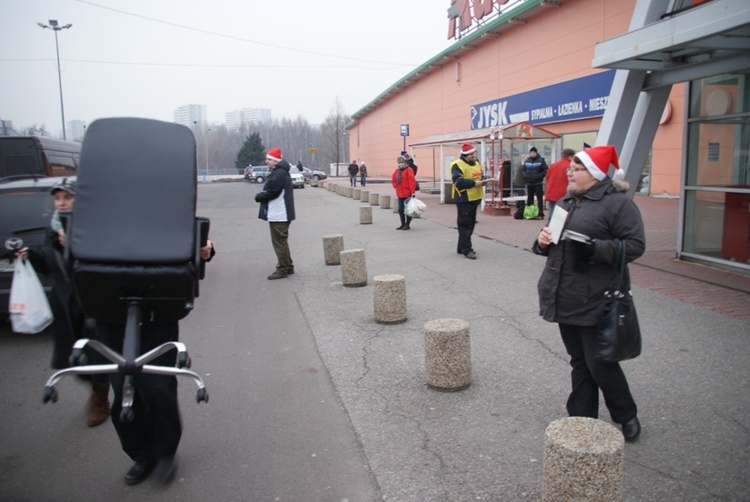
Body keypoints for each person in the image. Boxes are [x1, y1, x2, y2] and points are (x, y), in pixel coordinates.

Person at [532, 145, 645, 443]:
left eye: (576, 169)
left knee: (600, 362)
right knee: (579, 360)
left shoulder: (618, 205)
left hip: (597, 295)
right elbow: (551, 242)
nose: (569, 172)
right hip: (563, 292)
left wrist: (596, 249)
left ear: (594, 174)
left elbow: (635, 245)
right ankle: (581, 416)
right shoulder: (566, 201)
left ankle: (626, 414)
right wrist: (542, 242)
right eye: (570, 168)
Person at [97, 240, 215, 486]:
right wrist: (61, 242)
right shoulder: (100, 208)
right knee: (125, 391)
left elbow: (183, 231)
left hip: (157, 313)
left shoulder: (159, 203)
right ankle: (141, 455)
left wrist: (204, 249)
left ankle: (165, 454)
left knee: (158, 388)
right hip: (111, 313)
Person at [17, 178, 111, 428]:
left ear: (77, 200)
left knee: (96, 353)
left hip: (90, 301)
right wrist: (32, 257)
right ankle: (94, 386)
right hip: (64, 302)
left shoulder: (91, 227)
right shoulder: (52, 229)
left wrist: (72, 243)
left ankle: (102, 399)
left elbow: (101, 261)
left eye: (66, 198)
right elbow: (50, 266)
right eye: (57, 199)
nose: (61, 203)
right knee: (74, 359)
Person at [255, 147, 296, 280]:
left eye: (269, 159)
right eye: (267, 159)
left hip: (279, 213)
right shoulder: (280, 172)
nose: (266, 161)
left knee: (279, 242)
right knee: (282, 241)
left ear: (276, 161)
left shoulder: (279, 173)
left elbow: (273, 192)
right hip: (280, 212)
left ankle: (282, 269)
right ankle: (288, 265)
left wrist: (260, 196)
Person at [451, 142, 490, 259]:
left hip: (475, 197)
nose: (475, 154)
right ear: (467, 154)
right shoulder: (457, 165)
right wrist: (474, 183)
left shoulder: (477, 163)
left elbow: (479, 176)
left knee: (470, 223)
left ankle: (461, 247)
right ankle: (467, 249)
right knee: (465, 225)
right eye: (473, 153)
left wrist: (484, 181)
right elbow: (458, 182)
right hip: (464, 198)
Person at [545, 148, 575, 216]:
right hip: (565, 195)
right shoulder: (571, 166)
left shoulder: (553, 165)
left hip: (552, 194)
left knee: (552, 216)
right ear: (570, 156)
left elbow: (547, 178)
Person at [522, 146, 548, 220]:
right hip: (529, 183)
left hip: (538, 183)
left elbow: (545, 170)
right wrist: (525, 176)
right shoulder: (527, 161)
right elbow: (523, 170)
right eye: (531, 153)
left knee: (539, 199)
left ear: (536, 153)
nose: (532, 154)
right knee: (529, 199)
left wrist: (539, 176)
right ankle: (530, 213)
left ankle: (540, 214)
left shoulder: (541, 161)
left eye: (533, 153)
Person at [392, 155, 417, 230]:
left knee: (408, 209)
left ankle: (407, 224)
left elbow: (411, 181)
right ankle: (402, 224)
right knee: (400, 209)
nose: (401, 164)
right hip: (400, 193)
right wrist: (396, 186)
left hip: (407, 193)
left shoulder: (409, 170)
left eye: (402, 162)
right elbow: (393, 180)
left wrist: (412, 192)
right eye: (399, 162)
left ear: (405, 162)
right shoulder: (397, 171)